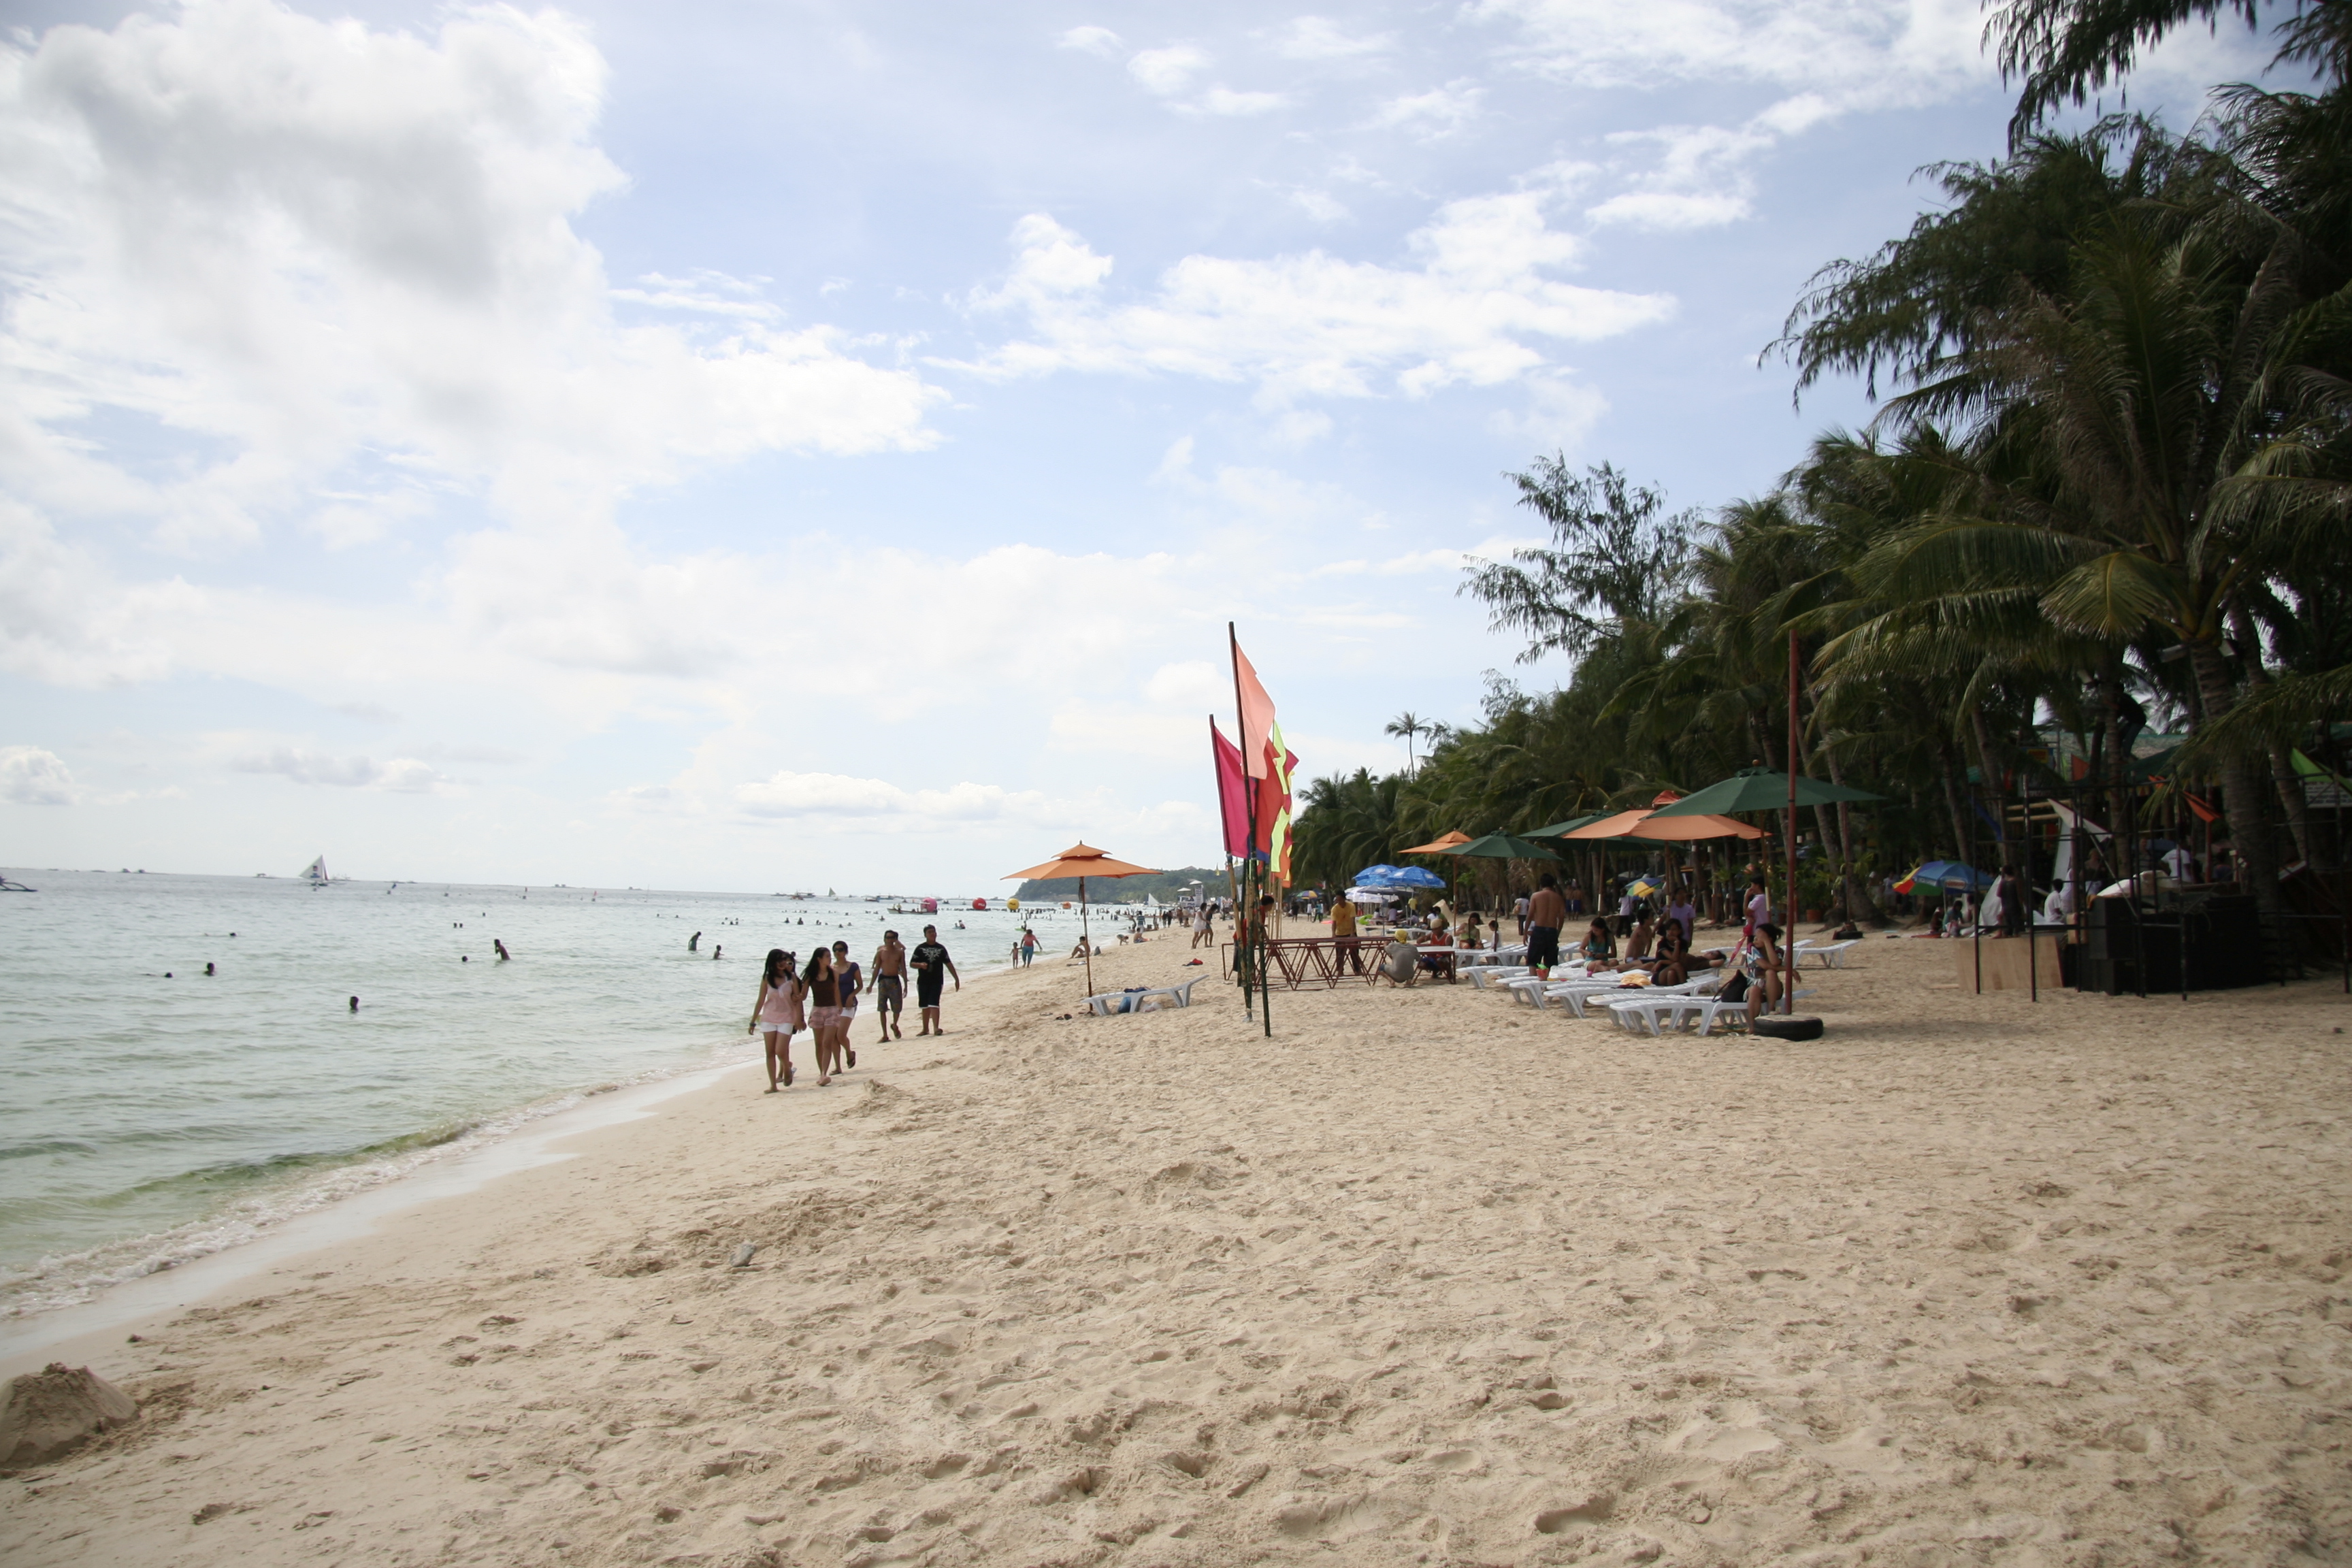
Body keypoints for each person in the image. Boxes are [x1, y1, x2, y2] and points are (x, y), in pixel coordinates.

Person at [749, 948, 802, 1092]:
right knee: (770, 1053)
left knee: (780, 1050)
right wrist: (753, 1021)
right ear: (772, 962)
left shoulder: (791, 978)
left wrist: (799, 1019)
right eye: (779, 960)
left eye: (784, 960)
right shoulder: (767, 978)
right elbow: (760, 1000)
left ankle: (786, 1069)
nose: (783, 963)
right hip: (768, 1018)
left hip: (787, 1017)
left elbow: (798, 999)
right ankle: (773, 1085)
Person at [802, 948, 842, 1085]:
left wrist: (839, 1006)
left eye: (830, 956)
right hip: (817, 1010)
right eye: (827, 956)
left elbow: (836, 990)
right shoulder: (810, 975)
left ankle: (825, 1073)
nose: (830, 958)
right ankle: (821, 1074)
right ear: (819, 959)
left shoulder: (834, 973)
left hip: (832, 1009)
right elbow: (803, 995)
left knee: (827, 1042)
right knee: (818, 1044)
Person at [911, 924, 958, 1035]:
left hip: (937, 980)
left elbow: (949, 964)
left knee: (934, 1003)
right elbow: (912, 964)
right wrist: (920, 965)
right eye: (930, 932)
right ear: (925, 935)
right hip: (923, 980)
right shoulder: (920, 949)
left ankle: (936, 1028)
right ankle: (925, 1029)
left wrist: (956, 978)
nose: (933, 934)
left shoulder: (941, 948)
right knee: (924, 1005)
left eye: (934, 932)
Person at [1746, 922, 1787, 1028]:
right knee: (1755, 989)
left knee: (1771, 973)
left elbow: (1774, 963)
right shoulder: (1752, 948)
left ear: (1770, 939)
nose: (1755, 940)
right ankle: (1752, 1026)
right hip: (1754, 984)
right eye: (1755, 937)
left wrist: (1766, 942)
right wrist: (1788, 969)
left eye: (1759, 938)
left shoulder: (1778, 951)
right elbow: (1764, 965)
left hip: (1773, 988)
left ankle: (1771, 1009)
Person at [1526, 872, 1567, 977]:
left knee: (1533, 960)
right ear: (1553, 884)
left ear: (1541, 884)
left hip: (1539, 929)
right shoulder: (1559, 898)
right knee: (1551, 961)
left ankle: (1533, 981)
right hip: (1552, 930)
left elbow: (1530, 915)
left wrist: (1525, 931)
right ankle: (1547, 984)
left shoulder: (1536, 896)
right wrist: (1558, 932)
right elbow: (1561, 917)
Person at [871, 930, 907, 1041]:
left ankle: (895, 1024)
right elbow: (877, 968)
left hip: (894, 980)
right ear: (884, 938)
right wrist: (871, 984)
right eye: (887, 938)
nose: (889, 940)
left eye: (892, 938)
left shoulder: (900, 952)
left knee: (897, 1008)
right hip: (883, 981)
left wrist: (906, 984)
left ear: (896, 939)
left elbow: (903, 968)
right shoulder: (881, 951)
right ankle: (885, 1035)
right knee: (882, 1008)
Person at [832, 941, 862, 1068]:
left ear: (846, 951)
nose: (838, 952)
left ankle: (849, 1053)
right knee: (833, 1037)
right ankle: (838, 1066)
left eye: (841, 950)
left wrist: (851, 996)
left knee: (841, 1035)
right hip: (834, 1005)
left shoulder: (853, 967)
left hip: (849, 1005)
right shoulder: (831, 968)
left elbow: (860, 985)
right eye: (835, 950)